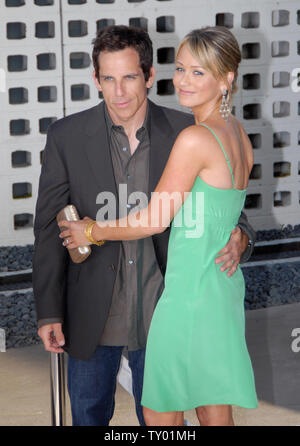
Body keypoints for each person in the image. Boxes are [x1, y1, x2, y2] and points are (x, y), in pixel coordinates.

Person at [33, 25, 256, 427]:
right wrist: (48, 311)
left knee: (160, 415)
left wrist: (242, 236)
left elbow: (165, 217)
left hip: (168, 305)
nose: (119, 92)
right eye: (108, 79)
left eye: (130, 77)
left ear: (149, 76)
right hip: (100, 313)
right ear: (96, 80)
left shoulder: (186, 133)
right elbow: (48, 228)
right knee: (208, 408)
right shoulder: (236, 133)